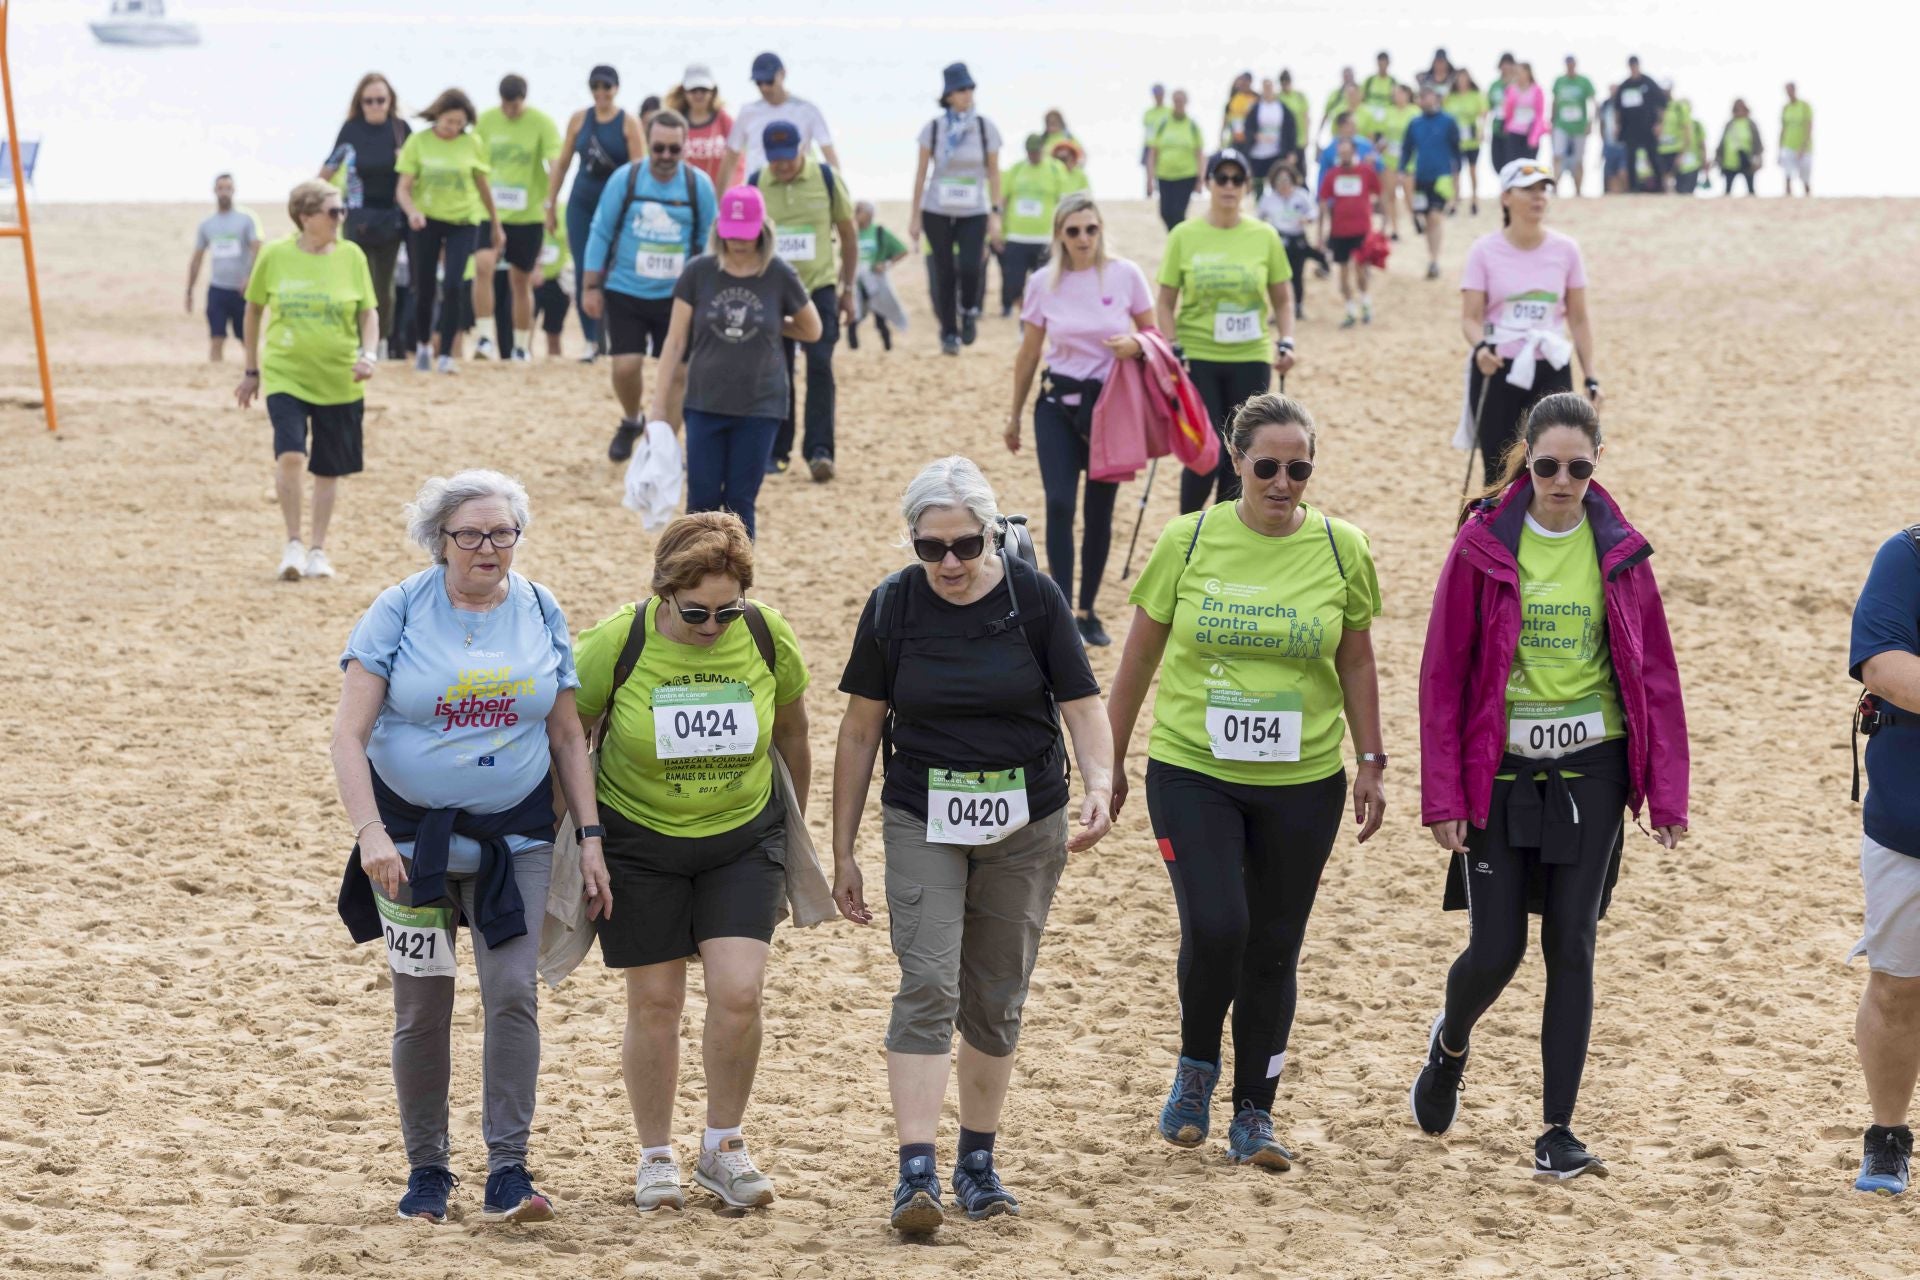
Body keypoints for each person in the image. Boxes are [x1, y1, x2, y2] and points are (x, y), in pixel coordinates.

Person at [830, 456, 1114, 1235]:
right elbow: (859, 733)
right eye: (931, 549)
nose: (949, 563)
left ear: (993, 534)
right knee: (927, 983)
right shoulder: (893, 606)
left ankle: (977, 1161)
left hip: (1027, 821)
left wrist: (1100, 781)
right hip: (923, 815)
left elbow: (1082, 705)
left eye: (965, 545)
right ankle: (915, 1172)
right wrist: (844, 848)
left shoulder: (1035, 598)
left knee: (995, 996)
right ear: (912, 543)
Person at [1410, 393, 1687, 1180]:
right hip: (1498, 771)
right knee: (1496, 949)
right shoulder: (1481, 544)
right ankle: (1450, 1041)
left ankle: (1557, 1131)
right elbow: (1443, 675)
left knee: (1572, 943)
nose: (1561, 481)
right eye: (1547, 466)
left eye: (1578, 467)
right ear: (1524, 461)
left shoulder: (1619, 550)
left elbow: (1656, 675)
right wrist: (1444, 798)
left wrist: (1665, 796)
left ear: (1597, 464)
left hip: (1592, 766)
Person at [1106, 392, 1385, 1172]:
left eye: (1299, 469)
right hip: (1194, 769)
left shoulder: (1342, 548)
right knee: (1220, 926)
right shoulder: (1188, 541)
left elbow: (1356, 657)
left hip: (1303, 780)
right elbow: (1139, 658)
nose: (1282, 482)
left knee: (1273, 947)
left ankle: (1254, 1113)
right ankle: (1196, 1068)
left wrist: (1372, 760)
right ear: (1237, 463)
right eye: (1267, 466)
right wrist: (1111, 760)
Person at [332, 468, 604, 1227]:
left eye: (502, 532)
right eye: (471, 534)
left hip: (511, 837)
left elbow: (566, 735)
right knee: (423, 1009)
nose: (488, 547)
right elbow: (348, 737)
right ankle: (427, 1173)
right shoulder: (398, 610)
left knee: (514, 992)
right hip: (411, 845)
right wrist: (371, 835)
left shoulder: (541, 607)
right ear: (440, 541)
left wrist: (588, 837)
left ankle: (509, 1171)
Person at [572, 510, 813, 1211]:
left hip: (742, 838)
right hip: (638, 842)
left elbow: (795, 733)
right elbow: (569, 733)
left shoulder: (767, 635)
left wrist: (795, 830)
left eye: (727, 612)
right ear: (663, 594)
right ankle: (655, 1155)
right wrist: (586, 836)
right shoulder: (618, 640)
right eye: (697, 613)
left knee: (739, 994)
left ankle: (724, 1146)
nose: (713, 628)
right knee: (655, 1002)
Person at [1006, 193, 1155, 647]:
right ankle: (1062, 610)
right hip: (1056, 403)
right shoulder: (1041, 283)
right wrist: (1012, 414)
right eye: (1073, 231)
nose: (1084, 238)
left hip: (1111, 408)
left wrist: (1135, 344)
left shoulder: (1125, 274)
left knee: (1099, 511)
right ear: (1059, 235)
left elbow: (1154, 335)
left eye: (1091, 229)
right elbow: (1030, 352)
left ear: (1101, 230)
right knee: (1059, 503)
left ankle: (1088, 610)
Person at [646, 186, 821, 540]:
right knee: (701, 505)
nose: (739, 241)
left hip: (761, 406)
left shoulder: (779, 274)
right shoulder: (699, 271)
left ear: (762, 229)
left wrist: (772, 325)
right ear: (719, 228)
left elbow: (812, 329)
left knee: (741, 502)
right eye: (732, 233)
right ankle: (693, 587)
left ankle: (736, 590)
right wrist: (658, 407)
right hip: (704, 402)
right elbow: (675, 340)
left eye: (746, 233)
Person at [235, 180, 377, 581]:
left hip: (340, 378)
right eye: (334, 212)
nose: (341, 218)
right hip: (286, 373)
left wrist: (369, 355)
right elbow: (253, 310)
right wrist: (251, 370)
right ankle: (293, 543)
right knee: (292, 454)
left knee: (328, 468)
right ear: (306, 216)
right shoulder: (276, 255)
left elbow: (369, 313)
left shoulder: (352, 256)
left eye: (343, 210)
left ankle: (318, 549)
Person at [1158, 149, 1296, 513]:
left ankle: (1226, 530)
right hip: (1198, 356)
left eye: (1238, 179)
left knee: (1241, 454)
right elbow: (1164, 302)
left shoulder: (1264, 236)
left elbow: (1282, 299)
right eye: (1222, 178)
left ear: (1247, 186)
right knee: (1207, 451)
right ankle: (1186, 527)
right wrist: (1172, 347)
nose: (1229, 186)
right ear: (1208, 183)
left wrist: (1287, 341)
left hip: (1250, 356)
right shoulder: (1184, 235)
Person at [1846, 525, 1920, 1195]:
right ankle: (1887, 1136)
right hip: (1910, 816)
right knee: (1898, 986)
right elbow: (1885, 668)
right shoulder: (1909, 554)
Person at [584, 109, 717, 462]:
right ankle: (631, 420)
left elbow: (711, 239)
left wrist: (708, 291)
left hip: (679, 298)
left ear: (685, 147)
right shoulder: (625, 180)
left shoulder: (698, 185)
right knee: (625, 366)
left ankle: (662, 446)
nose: (666, 157)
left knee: (678, 374)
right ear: (647, 143)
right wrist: (590, 285)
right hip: (626, 290)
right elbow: (600, 230)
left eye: (674, 150)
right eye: (659, 148)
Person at [1460, 159, 1601, 487]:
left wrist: (1591, 375)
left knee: (1553, 467)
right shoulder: (1483, 250)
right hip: (1497, 368)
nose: (1539, 197)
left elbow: (1578, 318)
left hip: (1551, 364)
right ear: (1506, 197)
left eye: (1544, 189)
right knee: (1498, 470)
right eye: (1528, 189)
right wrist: (1481, 347)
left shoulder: (1566, 250)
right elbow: (1470, 318)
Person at [750, 121, 858, 479]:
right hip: (773, 294)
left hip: (819, 287)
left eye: (788, 157)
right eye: (774, 159)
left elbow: (847, 233)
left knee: (820, 365)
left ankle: (820, 452)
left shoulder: (826, 178)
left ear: (803, 148)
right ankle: (778, 451)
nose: (782, 165)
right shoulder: (757, 183)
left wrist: (848, 289)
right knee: (777, 371)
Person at [396, 88, 501, 375]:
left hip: (463, 221)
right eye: (449, 122)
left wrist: (495, 223)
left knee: (455, 285)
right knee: (424, 288)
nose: (454, 128)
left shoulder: (472, 143)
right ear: (437, 116)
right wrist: (413, 212)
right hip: (425, 221)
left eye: (459, 123)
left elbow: (482, 185)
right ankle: (422, 347)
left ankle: (446, 356)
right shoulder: (418, 142)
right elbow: (403, 189)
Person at [549, 66, 645, 361]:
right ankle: (590, 340)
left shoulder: (628, 123)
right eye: (596, 87)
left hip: (615, 205)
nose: (601, 93)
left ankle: (615, 337)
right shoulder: (580, 119)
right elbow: (563, 163)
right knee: (584, 269)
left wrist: (637, 212)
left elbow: (638, 171)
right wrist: (550, 204)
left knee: (616, 270)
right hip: (581, 203)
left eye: (607, 87)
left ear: (616, 88)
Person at [910, 64, 1003, 358]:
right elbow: (921, 174)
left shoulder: (986, 129)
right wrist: (914, 216)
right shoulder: (934, 129)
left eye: (971, 88)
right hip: (937, 209)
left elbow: (995, 173)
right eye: (961, 89)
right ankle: (948, 331)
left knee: (971, 265)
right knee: (944, 271)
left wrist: (996, 213)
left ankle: (969, 310)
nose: (968, 94)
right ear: (948, 94)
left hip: (974, 209)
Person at [322, 73, 411, 358]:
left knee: (384, 286)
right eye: (368, 101)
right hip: (357, 215)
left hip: (391, 216)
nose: (374, 106)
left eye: (380, 100)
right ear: (359, 102)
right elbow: (330, 166)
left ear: (390, 101)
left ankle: (381, 342)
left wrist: (404, 161)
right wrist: (310, 200)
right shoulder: (351, 130)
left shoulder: (400, 130)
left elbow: (416, 174)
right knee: (357, 281)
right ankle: (359, 342)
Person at [473, 75, 562, 362]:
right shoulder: (486, 121)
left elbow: (555, 162)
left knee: (520, 281)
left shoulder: (541, 122)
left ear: (523, 99)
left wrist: (550, 205)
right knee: (483, 265)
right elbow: (475, 163)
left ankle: (521, 345)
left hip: (527, 214)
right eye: (505, 105)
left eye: (515, 106)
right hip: (491, 210)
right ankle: (485, 337)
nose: (510, 111)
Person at [720, 52, 840, 191]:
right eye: (759, 82)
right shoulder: (747, 112)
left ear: (782, 74)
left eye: (769, 81)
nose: (764, 88)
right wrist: (718, 204)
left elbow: (829, 153)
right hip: (759, 189)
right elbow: (730, 159)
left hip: (796, 187)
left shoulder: (807, 111)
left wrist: (836, 191)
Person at [188, 174, 260, 363]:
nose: (224, 192)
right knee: (216, 336)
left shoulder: (246, 220)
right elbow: (197, 258)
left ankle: (252, 370)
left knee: (246, 336)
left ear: (234, 190)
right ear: (214, 191)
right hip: (218, 287)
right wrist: (189, 289)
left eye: (228, 188)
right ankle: (215, 374)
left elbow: (257, 250)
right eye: (220, 188)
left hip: (241, 289)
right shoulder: (207, 224)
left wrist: (250, 278)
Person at [1000, 134, 1070, 315]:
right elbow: (1003, 201)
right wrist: (999, 228)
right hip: (1017, 237)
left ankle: (1035, 320)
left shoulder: (1056, 169)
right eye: (1031, 152)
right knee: (1014, 285)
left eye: (1037, 152)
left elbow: (1064, 204)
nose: (1034, 155)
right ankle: (1025, 315)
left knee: (1046, 285)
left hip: (1045, 238)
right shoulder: (1015, 170)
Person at [1318, 135, 1382, 329]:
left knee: (1361, 270)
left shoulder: (1365, 171)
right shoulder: (1332, 174)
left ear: (1354, 152)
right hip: (1339, 231)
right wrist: (1321, 234)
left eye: (1347, 151)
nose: (1344, 155)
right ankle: (1350, 309)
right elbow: (1323, 202)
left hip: (1361, 229)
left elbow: (1379, 192)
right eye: (1341, 152)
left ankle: (1365, 303)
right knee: (1343, 273)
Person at [1401, 88, 1462, 279]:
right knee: (1426, 218)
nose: (1425, 99)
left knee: (1435, 216)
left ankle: (1435, 260)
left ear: (1436, 98)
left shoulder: (1448, 121)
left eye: (1428, 95)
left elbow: (1456, 152)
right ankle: (1431, 257)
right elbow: (1406, 150)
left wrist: (1456, 181)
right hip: (1420, 177)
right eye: (1422, 96)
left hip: (1441, 177)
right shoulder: (1415, 123)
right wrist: (1403, 172)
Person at [1256, 162, 1323, 319]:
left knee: (1297, 275)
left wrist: (1307, 218)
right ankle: (1277, 310)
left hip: (1298, 238)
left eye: (1286, 180)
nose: (1283, 184)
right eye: (1279, 180)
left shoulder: (1301, 195)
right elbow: (1258, 217)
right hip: (1278, 239)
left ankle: (1298, 307)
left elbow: (1314, 211)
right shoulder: (1268, 199)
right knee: (1277, 277)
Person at [1146, 89, 1206, 231]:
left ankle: (1178, 239)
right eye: (1176, 101)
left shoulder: (1192, 125)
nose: (1178, 104)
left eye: (1181, 101)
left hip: (1186, 175)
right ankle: (1177, 237)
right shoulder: (1163, 124)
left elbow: (1200, 154)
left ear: (1186, 103)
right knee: (1165, 212)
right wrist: (1149, 178)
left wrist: (1201, 179)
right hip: (1165, 175)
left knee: (1178, 212)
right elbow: (1153, 152)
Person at [667, 64, 732, 189]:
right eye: (693, 90)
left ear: (713, 92)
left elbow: (736, 161)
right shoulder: (675, 122)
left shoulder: (724, 120)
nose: (698, 94)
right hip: (685, 195)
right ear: (684, 92)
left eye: (703, 90)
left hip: (719, 196)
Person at [1610, 57, 1667, 194]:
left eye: (1635, 65)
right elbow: (1617, 109)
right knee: (1631, 158)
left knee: (1653, 157)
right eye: (1631, 66)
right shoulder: (1624, 86)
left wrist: (1659, 124)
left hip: (1648, 127)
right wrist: (1617, 126)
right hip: (1630, 128)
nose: (1633, 68)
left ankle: (1660, 187)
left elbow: (1662, 103)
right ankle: (1633, 188)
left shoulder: (1649, 82)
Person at [1239, 78, 1297, 197]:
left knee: (1276, 181)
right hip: (1258, 152)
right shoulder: (1255, 108)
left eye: (1270, 87)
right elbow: (1247, 127)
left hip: (1276, 152)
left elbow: (1291, 130)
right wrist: (1256, 136)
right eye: (1265, 88)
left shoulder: (1282, 108)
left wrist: (1292, 151)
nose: (1268, 90)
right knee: (1258, 183)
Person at [1550, 57, 1596, 195]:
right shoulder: (1559, 81)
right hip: (1561, 125)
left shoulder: (1584, 82)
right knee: (1557, 155)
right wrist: (1552, 121)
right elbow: (1555, 101)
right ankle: (1555, 186)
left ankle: (1578, 189)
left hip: (1579, 127)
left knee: (1579, 159)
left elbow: (1592, 102)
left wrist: (1590, 122)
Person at [1445, 71, 1489, 215]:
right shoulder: (1450, 98)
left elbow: (1483, 114)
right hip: (1456, 140)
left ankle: (1474, 199)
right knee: (1455, 171)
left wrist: (1481, 130)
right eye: (1460, 79)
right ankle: (1454, 200)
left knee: (1472, 170)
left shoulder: (1476, 96)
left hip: (1472, 139)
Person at [1379, 83, 1419, 240]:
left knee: (1410, 196)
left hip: (1409, 160)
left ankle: (1415, 220)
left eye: (1401, 93)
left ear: (1408, 95)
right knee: (1390, 196)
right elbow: (1381, 134)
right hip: (1390, 160)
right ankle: (1395, 229)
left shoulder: (1414, 112)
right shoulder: (1388, 112)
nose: (1398, 97)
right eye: (1395, 94)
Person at [1498, 63, 1548, 169]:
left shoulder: (1537, 90)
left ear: (1528, 73)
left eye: (1521, 72)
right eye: (1516, 72)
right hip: (1514, 132)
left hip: (1530, 133)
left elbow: (1540, 115)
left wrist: (1535, 136)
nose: (1518, 75)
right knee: (1512, 165)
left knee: (1528, 167)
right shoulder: (1511, 89)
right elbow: (1507, 111)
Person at [1718, 100, 1763, 196]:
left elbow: (1758, 143)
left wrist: (1757, 159)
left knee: (1750, 189)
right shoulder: (1730, 124)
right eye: (1737, 109)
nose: (1739, 111)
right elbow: (1722, 142)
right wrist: (1718, 158)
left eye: (1741, 109)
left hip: (1747, 161)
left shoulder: (1750, 124)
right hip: (1729, 162)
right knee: (1727, 190)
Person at [1655, 81, 1692, 193]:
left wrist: (1683, 151)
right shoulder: (1657, 108)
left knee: (1677, 180)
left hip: (1676, 149)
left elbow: (1687, 129)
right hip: (1661, 149)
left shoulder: (1678, 107)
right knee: (1664, 179)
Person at [1780, 83, 1813, 196]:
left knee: (1805, 174)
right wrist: (1779, 147)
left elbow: (1809, 127)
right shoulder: (1786, 108)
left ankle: (1807, 195)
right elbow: (1783, 128)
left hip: (1803, 146)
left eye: (1790, 90)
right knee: (1787, 173)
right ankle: (1788, 196)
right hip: (1788, 144)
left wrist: (1803, 146)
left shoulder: (1804, 106)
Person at [1486, 54, 1518, 169]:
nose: (1506, 67)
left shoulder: (1518, 84)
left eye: (1509, 64)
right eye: (1504, 64)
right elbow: (1487, 107)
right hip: (1497, 127)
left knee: (1512, 162)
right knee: (1498, 162)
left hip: (1514, 130)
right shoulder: (1495, 85)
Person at [1277, 71, 1310, 171]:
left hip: (1299, 139)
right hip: (1284, 141)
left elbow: (1306, 117)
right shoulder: (1278, 97)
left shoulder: (1299, 96)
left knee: (1300, 170)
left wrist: (1306, 137)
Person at [1598, 87, 1629, 194]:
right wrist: (1603, 140)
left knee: (1623, 171)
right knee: (1610, 173)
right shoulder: (1605, 105)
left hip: (1622, 144)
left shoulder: (1624, 104)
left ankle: (1626, 192)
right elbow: (1602, 124)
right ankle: (1611, 193)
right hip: (1609, 143)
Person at [1141, 84, 1171, 194]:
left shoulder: (1169, 111)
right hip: (1149, 145)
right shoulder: (1148, 113)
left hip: (1164, 146)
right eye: (1156, 94)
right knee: (1149, 174)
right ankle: (1148, 195)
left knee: (1164, 172)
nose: (1158, 96)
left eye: (1160, 93)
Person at [1319, 67, 1359, 144]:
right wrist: (1319, 135)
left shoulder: (1359, 93)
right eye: (1346, 76)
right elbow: (1326, 114)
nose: (1348, 78)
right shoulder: (1334, 95)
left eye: (1349, 76)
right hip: (1338, 138)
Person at [1222, 72, 1256, 146]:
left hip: (1251, 140)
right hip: (1235, 139)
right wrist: (1221, 141)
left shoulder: (1255, 98)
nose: (1243, 84)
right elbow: (1225, 124)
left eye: (1246, 81)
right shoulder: (1232, 101)